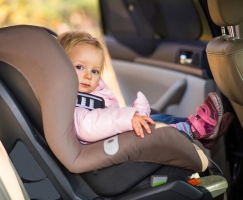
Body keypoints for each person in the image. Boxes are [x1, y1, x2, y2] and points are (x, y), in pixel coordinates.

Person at [57, 31, 233, 149]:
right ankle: (196, 129)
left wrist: (129, 115)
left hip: (112, 133)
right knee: (155, 128)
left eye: (95, 71)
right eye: (80, 67)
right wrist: (128, 117)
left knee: (157, 118)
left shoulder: (82, 95)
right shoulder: (70, 103)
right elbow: (89, 125)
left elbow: (104, 116)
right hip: (109, 145)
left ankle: (200, 128)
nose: (88, 75)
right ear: (60, 67)